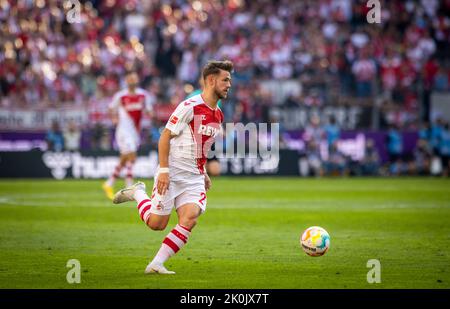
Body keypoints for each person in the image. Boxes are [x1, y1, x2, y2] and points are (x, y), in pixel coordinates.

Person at [112, 60, 233, 274]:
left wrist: (203, 172)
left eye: (229, 80)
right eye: (225, 80)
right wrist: (165, 171)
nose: (229, 84)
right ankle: (137, 193)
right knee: (156, 224)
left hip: (194, 177)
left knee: (190, 217)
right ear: (211, 81)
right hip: (173, 172)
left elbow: (201, 147)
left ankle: (156, 263)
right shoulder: (189, 106)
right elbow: (165, 137)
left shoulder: (218, 114)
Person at [102, 72, 153, 200]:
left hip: (135, 131)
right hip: (123, 130)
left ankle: (109, 183)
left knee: (125, 158)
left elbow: (148, 109)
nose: (132, 81)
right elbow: (110, 108)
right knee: (132, 156)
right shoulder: (121, 96)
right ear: (126, 81)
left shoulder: (143, 95)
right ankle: (129, 186)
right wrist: (114, 118)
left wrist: (150, 112)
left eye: (134, 78)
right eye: (130, 79)